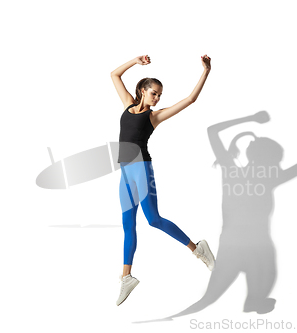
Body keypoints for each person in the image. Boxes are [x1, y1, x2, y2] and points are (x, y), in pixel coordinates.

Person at [111, 55, 216, 306]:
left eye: (159, 95)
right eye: (154, 93)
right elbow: (114, 75)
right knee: (128, 225)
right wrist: (135, 61)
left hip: (141, 169)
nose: (157, 98)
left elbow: (190, 100)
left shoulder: (153, 117)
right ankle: (126, 277)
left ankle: (198, 249)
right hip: (125, 172)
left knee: (154, 219)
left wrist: (206, 71)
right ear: (142, 91)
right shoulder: (127, 104)